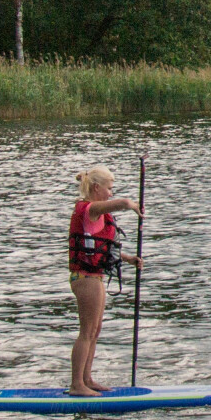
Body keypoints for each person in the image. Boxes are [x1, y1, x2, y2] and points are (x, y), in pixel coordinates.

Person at [68, 166, 143, 396]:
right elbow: (116, 204)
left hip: (95, 277)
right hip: (85, 278)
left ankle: (87, 378)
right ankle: (76, 385)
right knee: (87, 331)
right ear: (96, 187)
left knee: (95, 330)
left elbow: (101, 248)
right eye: (109, 188)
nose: (111, 193)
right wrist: (129, 203)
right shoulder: (89, 209)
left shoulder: (97, 215)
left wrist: (129, 258)